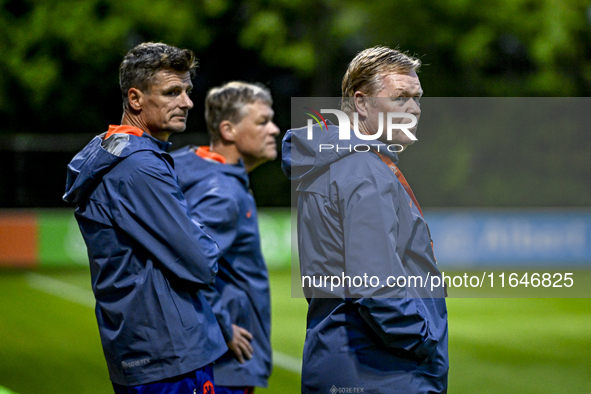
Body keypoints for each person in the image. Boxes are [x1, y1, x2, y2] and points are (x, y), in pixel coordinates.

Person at [282, 46, 449, 393]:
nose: (415, 109)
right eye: (401, 98)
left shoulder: (331, 162)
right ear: (361, 103)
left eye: (417, 98)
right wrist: (424, 340)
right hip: (380, 372)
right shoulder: (364, 170)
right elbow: (376, 286)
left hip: (339, 359)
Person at [63, 42, 227, 393]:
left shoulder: (110, 152)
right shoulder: (141, 167)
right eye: (172, 92)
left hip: (137, 349)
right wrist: (202, 236)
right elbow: (201, 261)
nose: (186, 103)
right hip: (170, 355)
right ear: (135, 99)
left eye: (187, 91)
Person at [171, 81, 279, 394]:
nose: (274, 129)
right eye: (262, 122)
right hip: (225, 364)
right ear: (228, 130)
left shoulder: (199, 172)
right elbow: (190, 261)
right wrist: (221, 325)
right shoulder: (223, 193)